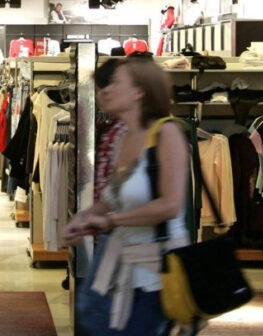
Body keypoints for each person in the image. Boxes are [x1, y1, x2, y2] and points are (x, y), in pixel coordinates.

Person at [64, 58, 189, 334]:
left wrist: (111, 221)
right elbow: (113, 197)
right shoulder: (123, 138)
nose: (105, 90)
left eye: (116, 83)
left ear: (139, 91)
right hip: (120, 268)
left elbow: (170, 205)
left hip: (156, 274)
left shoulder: (167, 133)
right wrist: (84, 218)